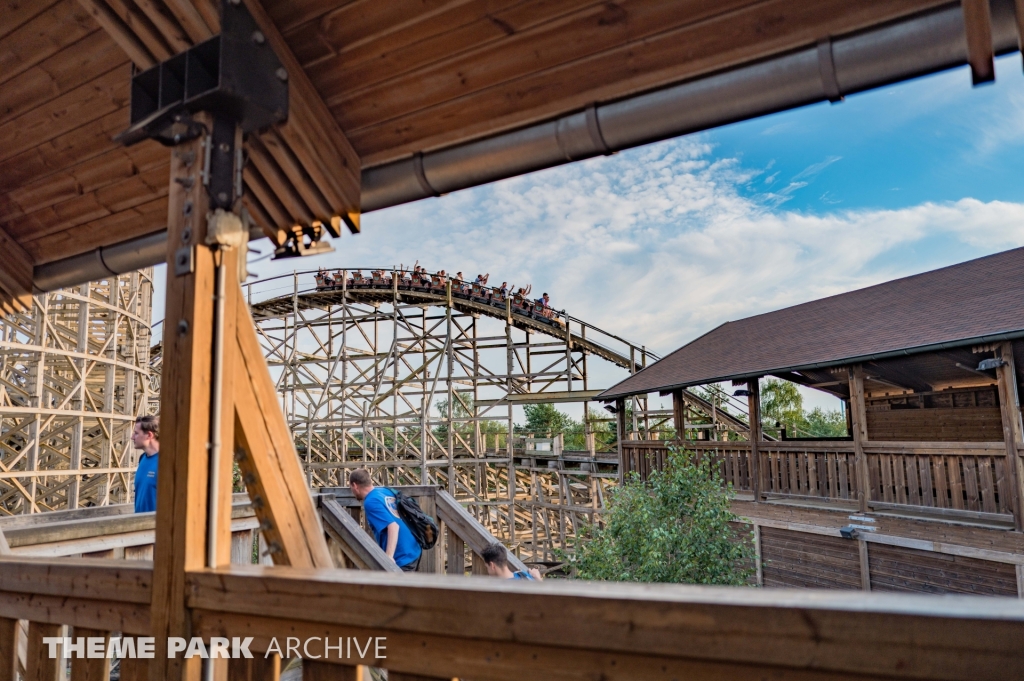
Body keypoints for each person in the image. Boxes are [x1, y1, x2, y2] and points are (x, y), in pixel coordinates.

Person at [348, 469, 422, 571]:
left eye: (350, 487)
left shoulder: (370, 502)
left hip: (401, 557)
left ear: (355, 485)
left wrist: (389, 557)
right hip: (414, 549)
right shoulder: (385, 491)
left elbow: (393, 526)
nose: (351, 491)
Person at [132, 415, 160, 513]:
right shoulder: (142, 458)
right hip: (140, 525)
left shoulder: (166, 464)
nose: (132, 437)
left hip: (156, 526)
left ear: (149, 435)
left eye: (136, 433)